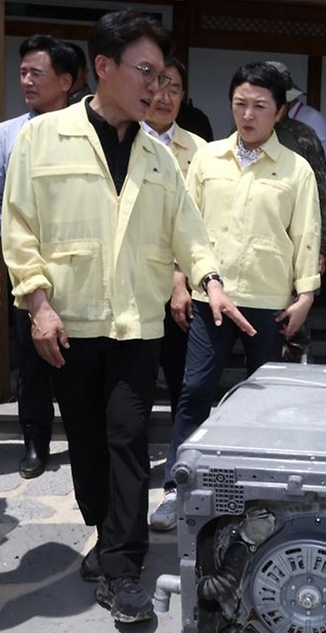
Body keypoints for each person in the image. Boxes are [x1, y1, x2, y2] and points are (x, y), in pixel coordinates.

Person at [2, 11, 253, 624]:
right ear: (104, 67)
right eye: (146, 71)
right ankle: (106, 530)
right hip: (68, 323)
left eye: (163, 76)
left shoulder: (159, 157)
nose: (157, 87)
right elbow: (19, 227)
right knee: (87, 444)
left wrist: (211, 282)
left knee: (128, 439)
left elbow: (189, 231)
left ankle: (122, 568)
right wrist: (37, 304)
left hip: (137, 325)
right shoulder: (42, 138)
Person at [154, 62, 321, 530]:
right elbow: (185, 226)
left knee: (264, 404)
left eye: (260, 106)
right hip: (210, 297)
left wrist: (305, 296)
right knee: (195, 390)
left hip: (270, 303)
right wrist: (179, 280)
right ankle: (177, 486)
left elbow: (307, 235)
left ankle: (257, 493)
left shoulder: (296, 169)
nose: (248, 115)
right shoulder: (207, 159)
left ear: (279, 111)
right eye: (240, 104)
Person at [0, 34, 78, 480]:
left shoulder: (87, 130)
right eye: (22, 73)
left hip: (79, 270)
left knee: (80, 361)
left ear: (66, 81)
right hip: (27, 268)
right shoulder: (7, 134)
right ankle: (35, 441)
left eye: (36, 73)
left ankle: (83, 438)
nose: (26, 81)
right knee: (32, 362)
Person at [140, 56, 206, 444]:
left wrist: (180, 278)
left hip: (184, 285)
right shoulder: (122, 140)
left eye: (175, 90)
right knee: (135, 379)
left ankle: (185, 455)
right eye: (159, 87)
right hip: (135, 280)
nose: (164, 98)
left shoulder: (202, 151)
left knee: (185, 376)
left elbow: (200, 222)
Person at [267, 59, 326, 364]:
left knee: (292, 322)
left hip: (297, 241)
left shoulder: (304, 136)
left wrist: (321, 247)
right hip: (258, 241)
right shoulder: (241, 133)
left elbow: (321, 194)